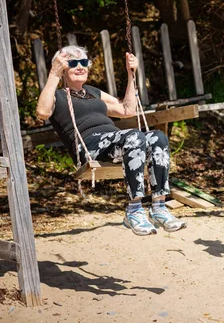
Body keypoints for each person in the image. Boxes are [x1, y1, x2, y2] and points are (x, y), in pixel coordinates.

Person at [36, 45, 186, 236]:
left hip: (116, 141)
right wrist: (53, 75)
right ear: (63, 68)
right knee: (133, 136)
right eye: (73, 63)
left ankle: (159, 207)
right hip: (89, 147)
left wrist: (131, 74)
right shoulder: (56, 95)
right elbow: (42, 112)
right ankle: (134, 210)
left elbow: (127, 110)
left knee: (158, 137)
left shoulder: (93, 92)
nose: (80, 66)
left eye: (84, 62)